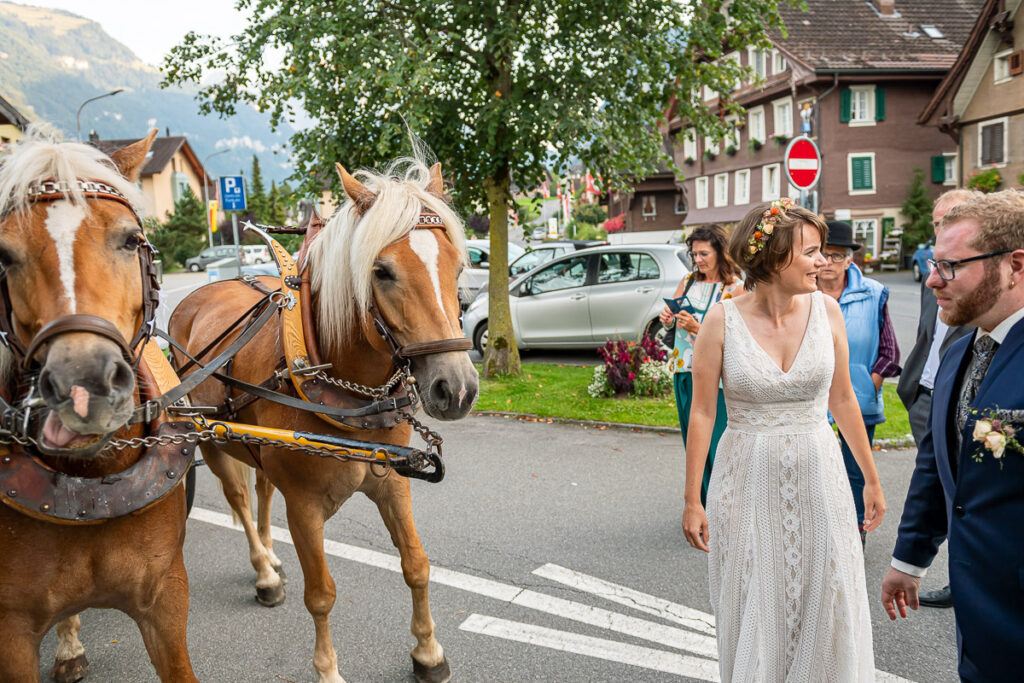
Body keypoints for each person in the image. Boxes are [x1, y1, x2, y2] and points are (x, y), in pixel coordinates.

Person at [683, 199, 885, 680]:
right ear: (774, 257)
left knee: (826, 588)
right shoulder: (720, 321)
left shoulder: (828, 312)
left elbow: (843, 401)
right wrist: (693, 499)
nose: (824, 262)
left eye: (826, 253)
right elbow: (703, 412)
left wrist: (871, 480)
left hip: (821, 476)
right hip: (746, 481)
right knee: (758, 594)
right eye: (813, 252)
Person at [881, 190, 1024, 683]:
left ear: (1015, 265)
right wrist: (910, 558)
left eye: (950, 266)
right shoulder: (960, 349)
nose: (932, 279)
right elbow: (938, 463)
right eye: (931, 262)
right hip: (977, 614)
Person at [894, 188, 978, 609]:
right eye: (936, 224)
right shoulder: (935, 277)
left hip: (962, 395)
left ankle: (966, 579)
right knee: (938, 483)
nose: (940, 231)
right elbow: (929, 335)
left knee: (966, 493)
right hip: (924, 395)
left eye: (950, 222)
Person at [818, 220, 900, 544]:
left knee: (856, 472)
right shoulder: (801, 294)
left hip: (858, 399)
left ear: (850, 260)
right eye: (822, 254)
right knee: (819, 472)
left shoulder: (874, 293)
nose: (828, 262)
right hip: (812, 402)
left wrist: (872, 382)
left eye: (836, 256)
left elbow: (889, 350)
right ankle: (824, 536)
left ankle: (855, 536)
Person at [661, 224, 744, 505]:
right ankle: (702, 504)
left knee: (718, 442)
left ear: (721, 252)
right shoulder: (687, 281)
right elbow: (673, 309)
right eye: (694, 254)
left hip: (718, 378)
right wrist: (668, 316)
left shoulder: (736, 288)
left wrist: (697, 327)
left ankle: (725, 503)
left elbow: (738, 335)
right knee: (694, 442)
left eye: (704, 253)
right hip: (684, 368)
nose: (697, 260)